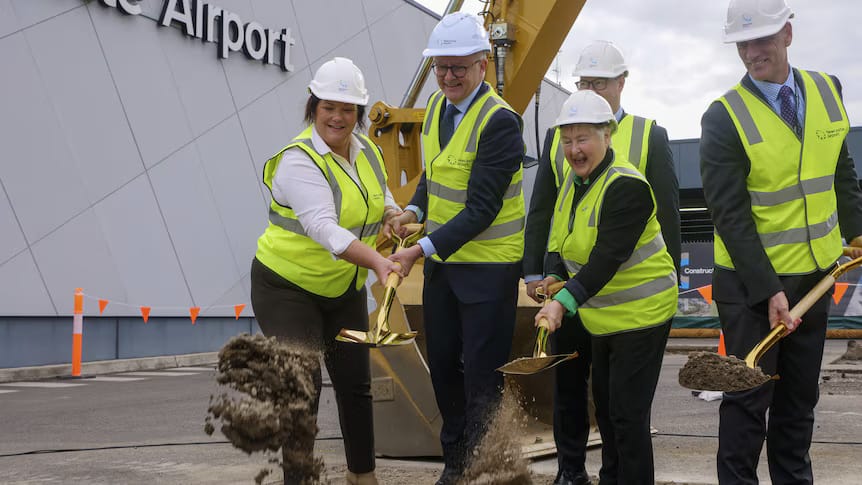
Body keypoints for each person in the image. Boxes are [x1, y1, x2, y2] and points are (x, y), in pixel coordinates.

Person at [700, 1, 862, 483]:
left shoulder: (827, 90)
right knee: (748, 406)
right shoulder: (723, 117)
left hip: (815, 279)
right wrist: (767, 289)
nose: (752, 53)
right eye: (742, 44)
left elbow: (841, 172)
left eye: (762, 40)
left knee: (797, 406)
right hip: (752, 290)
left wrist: (855, 231)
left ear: (787, 34)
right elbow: (729, 216)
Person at [522, 40, 680, 485]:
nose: (574, 148)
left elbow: (609, 255)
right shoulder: (577, 180)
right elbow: (558, 229)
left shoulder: (625, 184)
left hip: (640, 313)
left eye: (583, 138)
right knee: (607, 411)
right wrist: (549, 273)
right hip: (603, 312)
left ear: (606, 135)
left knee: (627, 418)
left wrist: (562, 302)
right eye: (568, 140)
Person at [385, 11, 526, 485]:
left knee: (483, 374)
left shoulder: (501, 123)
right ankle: (456, 462)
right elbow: (437, 175)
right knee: (443, 364)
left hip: (488, 269)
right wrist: (413, 211)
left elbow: (483, 207)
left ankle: (484, 466)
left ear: (483, 64)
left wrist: (419, 250)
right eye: (441, 67)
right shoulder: (437, 112)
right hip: (445, 264)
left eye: (458, 68)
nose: (448, 77)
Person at [250, 57, 404, 485]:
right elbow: (324, 228)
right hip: (285, 286)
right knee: (304, 382)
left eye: (347, 109)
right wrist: (377, 261)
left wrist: (393, 214)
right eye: (328, 107)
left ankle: (362, 476)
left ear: (357, 113)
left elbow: (381, 195)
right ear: (313, 107)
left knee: (356, 382)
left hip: (341, 290)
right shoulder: (298, 161)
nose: (338, 117)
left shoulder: (367, 150)